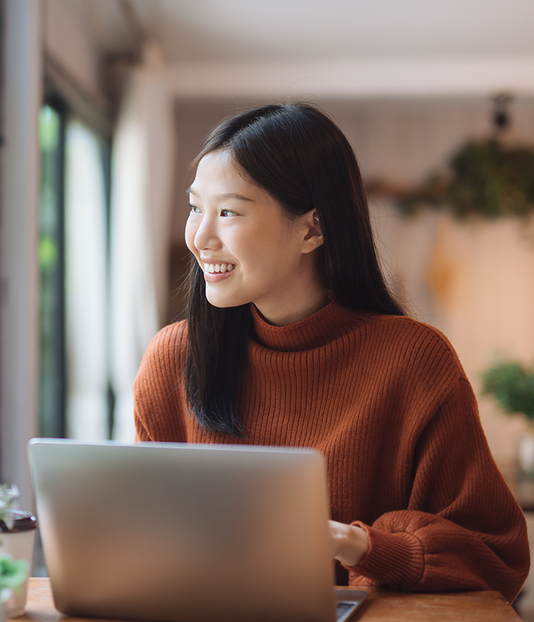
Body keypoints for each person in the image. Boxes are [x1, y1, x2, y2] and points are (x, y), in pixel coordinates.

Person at [133, 102, 529, 602]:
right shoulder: (172, 359)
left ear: (312, 229)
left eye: (228, 212)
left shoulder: (414, 362)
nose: (201, 237)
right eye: (195, 208)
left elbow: (498, 556)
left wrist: (362, 545)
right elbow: (149, 538)